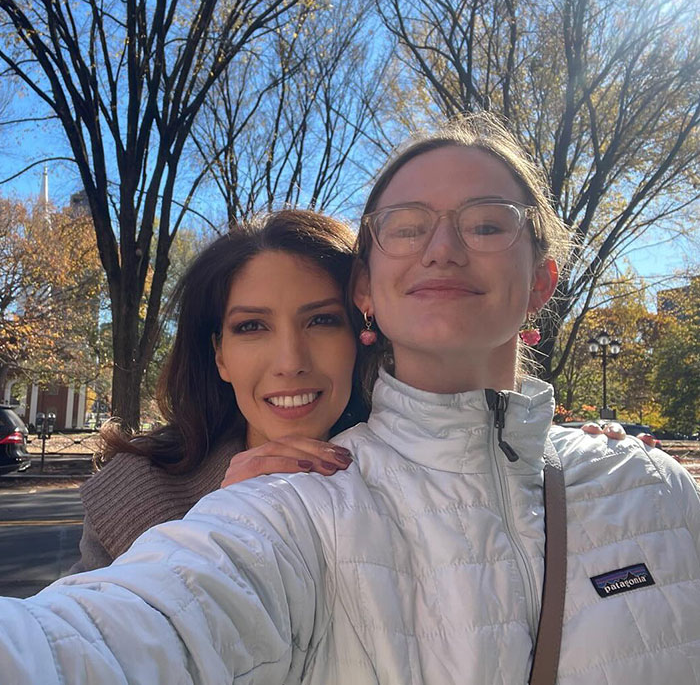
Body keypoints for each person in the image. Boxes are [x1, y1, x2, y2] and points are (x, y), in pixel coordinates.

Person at [2, 113, 698, 684]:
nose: (444, 248)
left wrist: (606, 469)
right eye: (407, 225)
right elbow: (91, 639)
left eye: (488, 223)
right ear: (372, 291)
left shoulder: (646, 488)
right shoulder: (283, 512)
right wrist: (228, 504)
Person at [70, 209, 367, 571]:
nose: (290, 362)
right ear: (220, 355)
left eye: (321, 320)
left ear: (360, 336)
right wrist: (219, 523)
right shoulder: (135, 495)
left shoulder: (421, 476)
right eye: (252, 326)